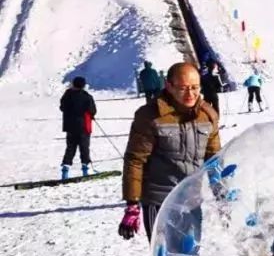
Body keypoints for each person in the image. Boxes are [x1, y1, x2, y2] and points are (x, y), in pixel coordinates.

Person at [119, 62, 221, 241]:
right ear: (169, 86)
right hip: (159, 201)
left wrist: (222, 194)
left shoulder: (208, 115)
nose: (190, 94)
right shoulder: (150, 116)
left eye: (194, 87)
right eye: (183, 88)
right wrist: (132, 204)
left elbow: (214, 160)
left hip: (191, 200)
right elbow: (135, 160)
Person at [59, 76, 97, 179]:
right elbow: (93, 111)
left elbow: (62, 107)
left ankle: (65, 171)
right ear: (84, 85)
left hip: (70, 127)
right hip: (83, 126)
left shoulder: (67, 95)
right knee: (84, 148)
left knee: (70, 148)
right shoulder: (86, 96)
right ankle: (86, 170)